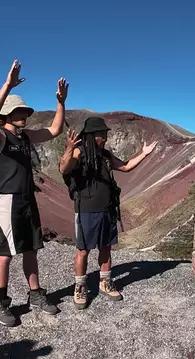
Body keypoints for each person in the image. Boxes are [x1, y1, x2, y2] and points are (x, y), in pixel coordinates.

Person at [0, 60, 68, 326]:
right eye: (18, 111)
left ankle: (35, 294)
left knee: (31, 249)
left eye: (25, 111)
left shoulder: (25, 137)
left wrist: (61, 102)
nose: (24, 114)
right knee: (6, 253)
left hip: (27, 199)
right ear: (6, 115)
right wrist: (7, 85)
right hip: (7, 200)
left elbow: (54, 130)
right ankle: (2, 302)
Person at [59, 116, 158, 310]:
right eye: (102, 134)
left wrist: (144, 153)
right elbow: (64, 168)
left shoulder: (105, 155)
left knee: (106, 247)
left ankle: (105, 282)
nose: (105, 137)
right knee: (83, 250)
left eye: (105, 134)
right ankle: (80, 287)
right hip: (86, 209)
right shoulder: (79, 153)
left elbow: (126, 167)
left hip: (107, 209)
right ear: (92, 135)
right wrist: (70, 148)